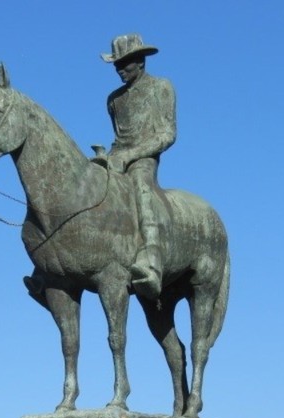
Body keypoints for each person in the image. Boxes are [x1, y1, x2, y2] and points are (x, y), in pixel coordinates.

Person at [96, 33, 177, 300]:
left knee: (141, 186)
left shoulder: (162, 87)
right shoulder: (113, 99)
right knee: (86, 181)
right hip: (118, 157)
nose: (120, 70)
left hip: (144, 159)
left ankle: (151, 259)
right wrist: (106, 157)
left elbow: (167, 134)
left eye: (125, 64)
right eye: (116, 65)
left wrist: (130, 156)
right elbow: (118, 140)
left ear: (140, 62)